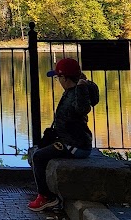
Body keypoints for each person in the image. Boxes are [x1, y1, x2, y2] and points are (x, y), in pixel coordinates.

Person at [28, 58, 100, 212]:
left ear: (65, 78)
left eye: (58, 77)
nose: (58, 81)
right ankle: (46, 193)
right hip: (72, 141)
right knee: (41, 148)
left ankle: (46, 197)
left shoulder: (78, 94)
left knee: (38, 156)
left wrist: (82, 87)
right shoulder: (73, 92)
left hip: (75, 146)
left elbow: (82, 109)